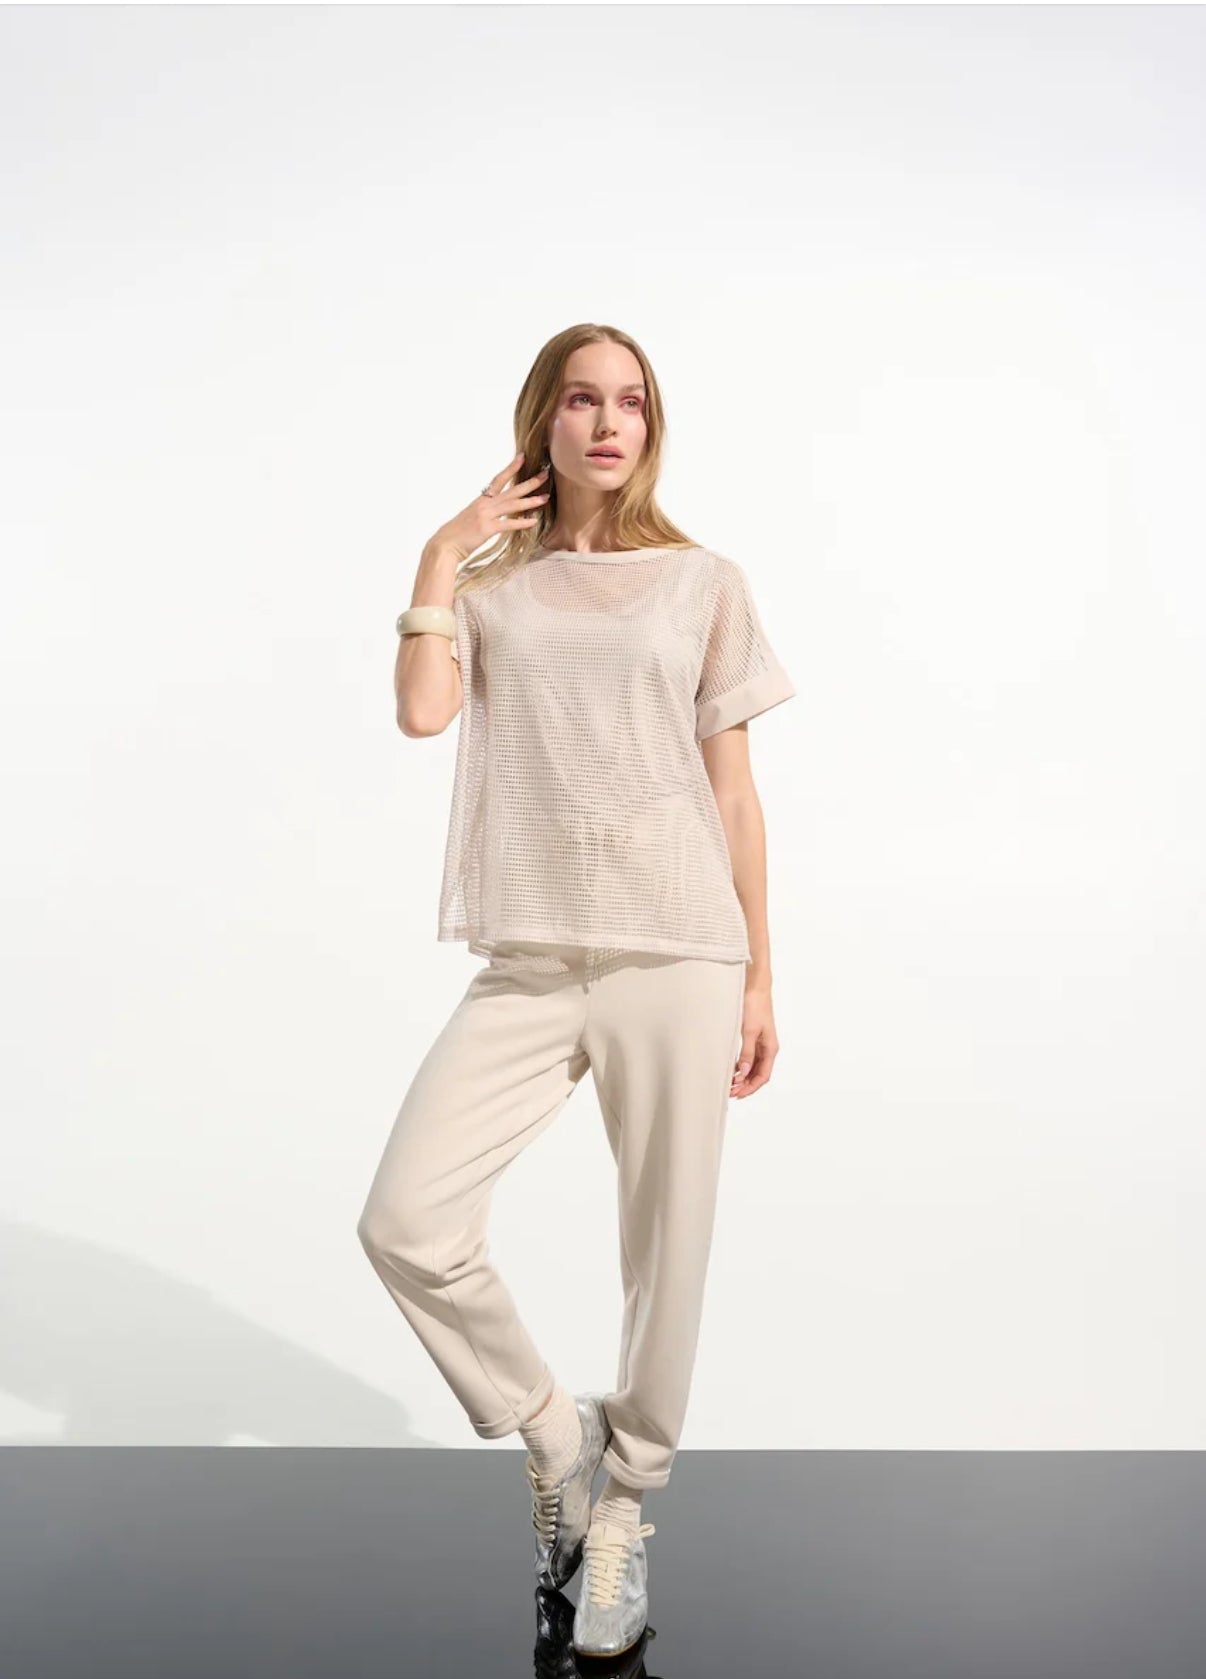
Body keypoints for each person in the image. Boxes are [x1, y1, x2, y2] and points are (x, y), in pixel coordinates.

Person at [357, 323, 795, 1659]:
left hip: (680, 949)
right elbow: (422, 713)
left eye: (632, 402)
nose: (609, 423)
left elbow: (733, 791)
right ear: (541, 419)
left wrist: (759, 972)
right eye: (583, 400)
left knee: (666, 1248)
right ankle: (556, 1434)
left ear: (650, 427)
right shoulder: (492, 593)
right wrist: (442, 553)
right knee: (407, 1220)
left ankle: (624, 1511)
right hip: (534, 955)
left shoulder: (701, 582)